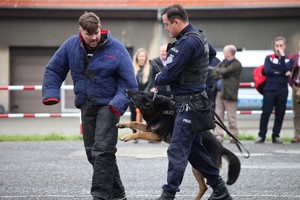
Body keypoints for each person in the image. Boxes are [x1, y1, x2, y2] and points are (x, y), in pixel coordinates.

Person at [42, 12, 138, 200]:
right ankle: (118, 195)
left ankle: (99, 196)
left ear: (100, 28)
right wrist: (51, 93)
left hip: (109, 106)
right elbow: (54, 69)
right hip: (87, 106)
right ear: (81, 32)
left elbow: (129, 83)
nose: (94, 37)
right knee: (92, 153)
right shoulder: (70, 46)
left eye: (96, 33)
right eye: (89, 34)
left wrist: (116, 104)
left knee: (102, 150)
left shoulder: (116, 48)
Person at [155, 4, 232, 200]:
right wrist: (196, 73)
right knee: (194, 151)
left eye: (166, 24)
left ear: (176, 21)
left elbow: (168, 74)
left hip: (189, 105)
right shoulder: (199, 36)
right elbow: (211, 55)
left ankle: (168, 194)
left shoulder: (186, 43)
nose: (165, 28)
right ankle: (220, 189)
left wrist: (158, 78)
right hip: (196, 103)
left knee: (177, 149)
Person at [255, 36, 293, 144]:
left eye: (281, 46)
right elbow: (267, 71)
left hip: (282, 90)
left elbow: (286, 68)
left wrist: (282, 58)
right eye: (277, 46)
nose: (278, 48)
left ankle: (275, 136)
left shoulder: (288, 59)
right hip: (269, 90)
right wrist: (281, 73)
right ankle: (261, 135)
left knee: (280, 113)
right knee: (266, 112)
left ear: (284, 46)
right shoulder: (269, 58)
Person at [211, 45, 242, 143]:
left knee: (231, 116)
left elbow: (226, 71)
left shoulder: (236, 64)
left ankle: (233, 136)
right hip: (219, 93)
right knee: (218, 115)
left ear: (229, 53)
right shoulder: (223, 62)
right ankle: (218, 135)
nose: (223, 53)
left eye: (224, 51)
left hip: (229, 94)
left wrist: (220, 73)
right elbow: (213, 73)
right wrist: (220, 73)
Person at [130, 48, 151, 143]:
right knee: (134, 115)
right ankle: (135, 135)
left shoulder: (150, 68)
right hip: (134, 96)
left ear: (145, 57)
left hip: (145, 96)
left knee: (148, 115)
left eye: (143, 56)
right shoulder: (131, 68)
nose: (141, 58)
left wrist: (144, 94)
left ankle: (149, 135)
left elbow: (151, 82)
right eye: (140, 56)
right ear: (137, 57)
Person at [289, 39, 300, 143]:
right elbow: (288, 72)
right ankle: (297, 135)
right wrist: (293, 86)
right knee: (296, 113)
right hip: (296, 87)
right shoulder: (294, 56)